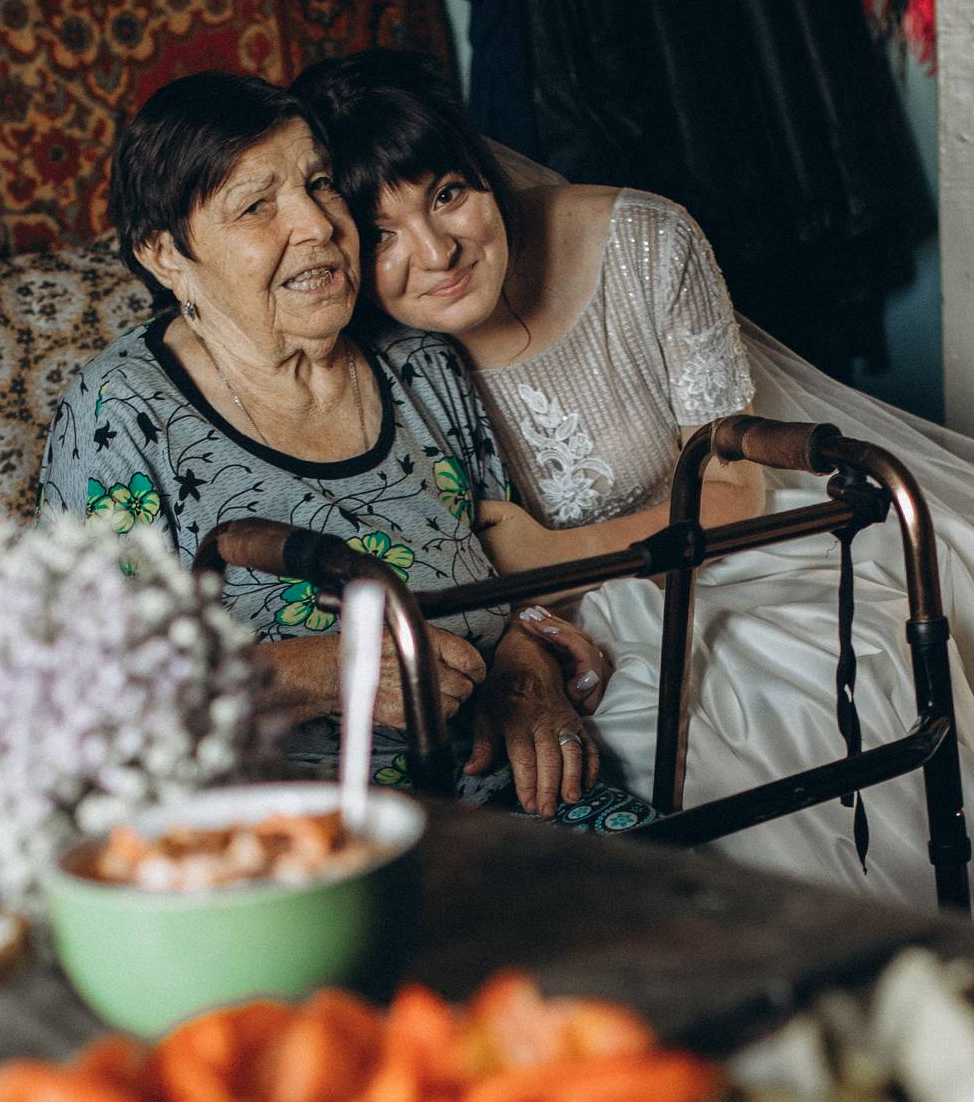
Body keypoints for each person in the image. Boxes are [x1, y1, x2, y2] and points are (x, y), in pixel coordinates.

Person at [294, 49, 974, 908]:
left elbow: (735, 491)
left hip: (731, 547)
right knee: (630, 742)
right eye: (381, 233)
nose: (437, 252)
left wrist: (551, 552)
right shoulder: (367, 356)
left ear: (482, 168)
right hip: (553, 621)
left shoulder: (645, 241)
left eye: (449, 194)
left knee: (818, 683)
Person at [38, 70, 655, 835]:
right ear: (166, 255)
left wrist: (525, 668)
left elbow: (504, 570)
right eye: (257, 205)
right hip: (287, 824)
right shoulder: (122, 413)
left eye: (320, 184)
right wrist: (323, 672)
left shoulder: (419, 360)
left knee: (679, 886)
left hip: (503, 789)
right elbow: (78, 694)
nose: (319, 224)